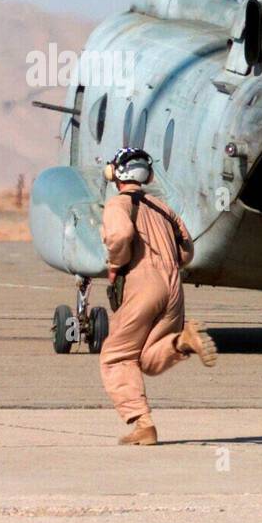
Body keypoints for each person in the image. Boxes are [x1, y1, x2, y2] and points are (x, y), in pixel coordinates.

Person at [99, 148, 216, 446]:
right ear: (147, 175)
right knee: (149, 359)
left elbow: (121, 235)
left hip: (143, 281)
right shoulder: (163, 208)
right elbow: (187, 251)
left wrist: (116, 264)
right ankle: (182, 341)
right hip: (174, 286)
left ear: (115, 174)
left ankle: (143, 423)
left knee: (117, 357)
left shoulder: (118, 205)